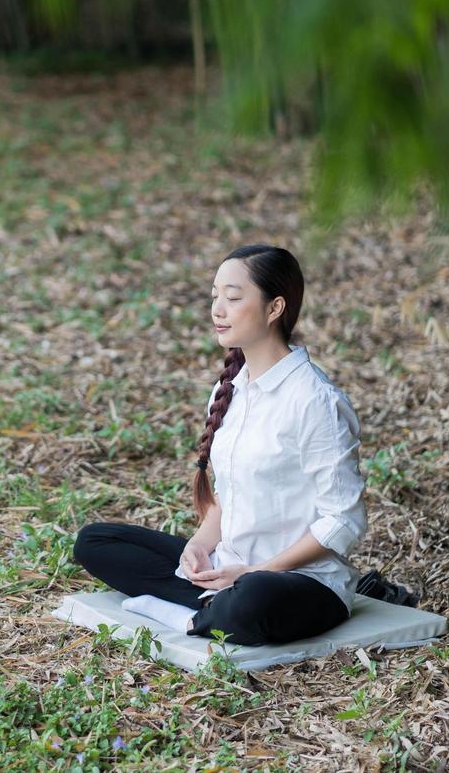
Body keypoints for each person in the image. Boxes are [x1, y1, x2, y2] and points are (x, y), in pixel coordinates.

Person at [71, 244, 413, 647]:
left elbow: (344, 520)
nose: (218, 309)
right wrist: (200, 545)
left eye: (233, 298)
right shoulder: (229, 388)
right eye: (215, 296)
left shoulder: (314, 401)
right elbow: (230, 495)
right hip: (229, 569)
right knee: (95, 542)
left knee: (252, 599)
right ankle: (209, 605)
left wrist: (254, 572)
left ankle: (193, 609)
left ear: (274, 308)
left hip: (297, 582)